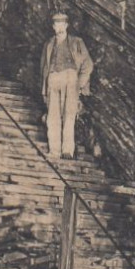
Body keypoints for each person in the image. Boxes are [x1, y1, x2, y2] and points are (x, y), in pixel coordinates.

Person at [40, 12, 94, 160]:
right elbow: (44, 68)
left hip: (70, 78)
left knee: (69, 115)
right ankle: (54, 150)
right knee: (53, 117)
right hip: (53, 78)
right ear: (53, 26)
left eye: (62, 24)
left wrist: (80, 83)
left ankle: (67, 151)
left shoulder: (77, 42)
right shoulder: (49, 44)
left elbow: (88, 64)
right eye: (56, 24)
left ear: (67, 25)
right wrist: (44, 90)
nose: (59, 27)